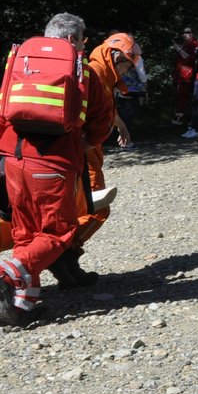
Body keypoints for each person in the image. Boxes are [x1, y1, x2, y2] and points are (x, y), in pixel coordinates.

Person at [0, 13, 88, 327]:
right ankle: (7, 274)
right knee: (58, 232)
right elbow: (90, 122)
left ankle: (26, 302)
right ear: (71, 40)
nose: (82, 46)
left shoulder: (20, 64)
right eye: (81, 40)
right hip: (52, 165)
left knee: (26, 233)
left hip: (12, 162)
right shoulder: (79, 69)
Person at [54, 32, 140, 287]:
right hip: (84, 155)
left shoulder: (99, 73)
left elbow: (106, 110)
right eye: (127, 65)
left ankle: (67, 263)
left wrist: (121, 127)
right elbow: (95, 115)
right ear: (116, 57)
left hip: (85, 153)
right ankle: (60, 254)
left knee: (83, 209)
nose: (127, 71)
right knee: (96, 209)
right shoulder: (96, 74)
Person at [171, 27, 198, 126]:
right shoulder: (185, 44)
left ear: (193, 34)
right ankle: (180, 119)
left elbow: (190, 58)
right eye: (183, 32)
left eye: (188, 32)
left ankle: (182, 120)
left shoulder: (195, 44)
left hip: (187, 75)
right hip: (180, 75)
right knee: (180, 97)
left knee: (183, 98)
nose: (185, 34)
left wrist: (178, 49)